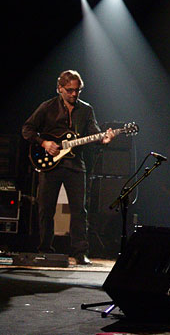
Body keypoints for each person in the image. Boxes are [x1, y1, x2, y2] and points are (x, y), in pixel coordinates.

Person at [22, 70, 115, 265]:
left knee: (79, 210)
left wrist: (103, 139)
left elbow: (94, 133)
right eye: (70, 90)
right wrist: (44, 143)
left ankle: (80, 252)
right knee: (46, 208)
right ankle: (45, 249)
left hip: (75, 165)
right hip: (50, 165)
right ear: (60, 88)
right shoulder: (47, 107)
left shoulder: (86, 110)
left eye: (77, 90)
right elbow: (27, 129)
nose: (74, 94)